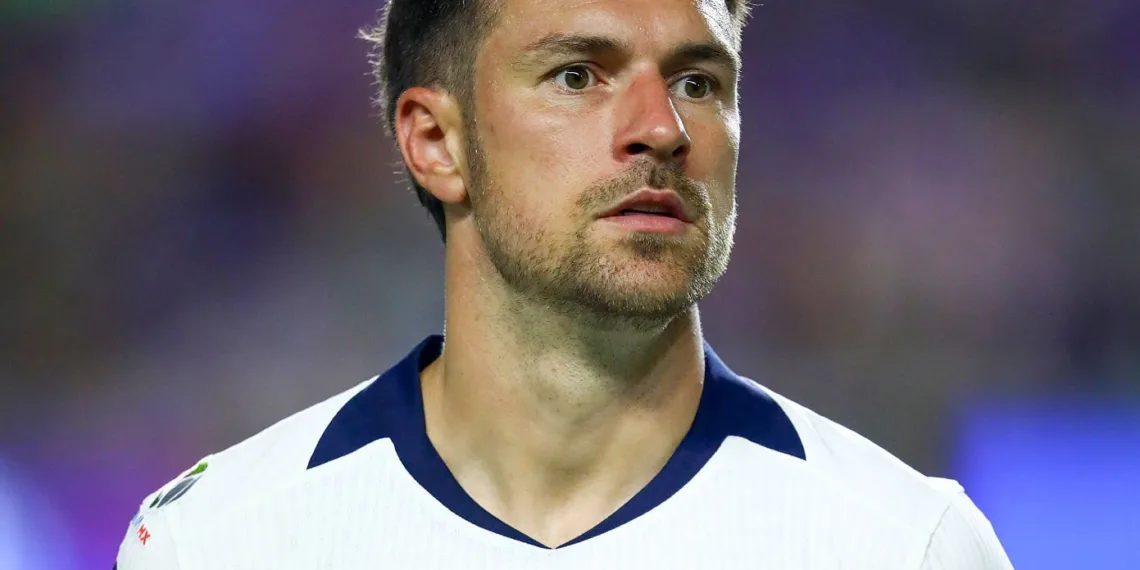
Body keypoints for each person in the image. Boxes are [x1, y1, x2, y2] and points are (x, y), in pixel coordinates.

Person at [116, 0, 1014, 567]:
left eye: (698, 82)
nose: (661, 128)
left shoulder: (903, 545)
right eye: (578, 75)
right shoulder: (222, 543)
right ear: (436, 142)